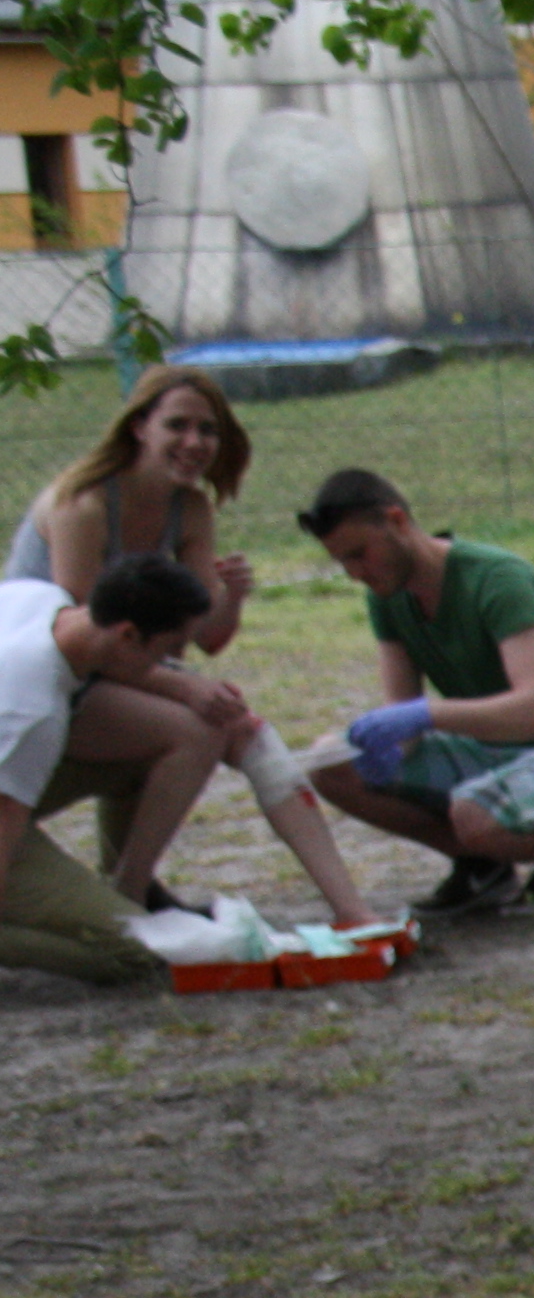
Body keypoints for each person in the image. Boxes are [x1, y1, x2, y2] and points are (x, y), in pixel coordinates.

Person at [11, 365, 388, 931]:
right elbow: (96, 643)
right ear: (139, 426)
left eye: (208, 430)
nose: (194, 443)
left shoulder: (189, 508)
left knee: (247, 731)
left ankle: (352, 912)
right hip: (56, 680)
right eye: (178, 425)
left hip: (126, 670)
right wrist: (186, 689)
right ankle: (130, 894)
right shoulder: (83, 505)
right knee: (198, 729)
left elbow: (204, 638)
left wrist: (230, 600)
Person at [295, 470, 534, 917]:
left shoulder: (498, 577)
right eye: (342, 562)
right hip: (491, 754)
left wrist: (427, 714)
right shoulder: (387, 596)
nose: (355, 574)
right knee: (330, 763)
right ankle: (482, 862)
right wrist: (381, 747)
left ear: (397, 521)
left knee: (474, 813)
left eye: (359, 554)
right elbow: (404, 719)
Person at [0, 554, 217, 986]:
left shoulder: (38, 598)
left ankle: (124, 891)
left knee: (146, 747)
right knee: (138, 951)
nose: (172, 663)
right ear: (128, 635)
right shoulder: (34, 708)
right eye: (168, 649)